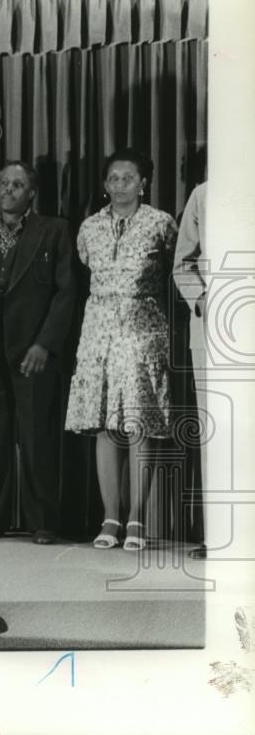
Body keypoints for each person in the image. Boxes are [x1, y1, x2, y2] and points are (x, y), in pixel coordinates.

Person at [65, 149, 178, 551]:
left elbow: (172, 273)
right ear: (105, 184)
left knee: (137, 423)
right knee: (105, 424)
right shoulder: (89, 227)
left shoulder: (161, 223)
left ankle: (136, 519)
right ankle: (109, 517)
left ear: (143, 183)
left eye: (128, 177)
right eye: (113, 178)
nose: (119, 184)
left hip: (143, 329)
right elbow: (83, 268)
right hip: (98, 330)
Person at [0, 161, 75, 544]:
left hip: (33, 353)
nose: (8, 189)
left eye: (18, 184)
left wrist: (45, 343)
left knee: (36, 437)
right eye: (4, 183)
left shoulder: (54, 231)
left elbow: (66, 293)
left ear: (32, 193)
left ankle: (42, 520)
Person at [173, 181, 208, 560]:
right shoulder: (203, 195)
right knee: (216, 431)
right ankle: (217, 535)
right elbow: (183, 261)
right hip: (213, 328)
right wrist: (201, 298)